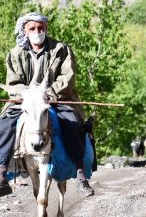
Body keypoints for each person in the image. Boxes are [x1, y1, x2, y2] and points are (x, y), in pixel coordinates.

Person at [0, 12, 94, 197]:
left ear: (46, 28)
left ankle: (81, 174)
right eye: (33, 28)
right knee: (4, 124)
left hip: (57, 98)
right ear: (25, 31)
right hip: (25, 101)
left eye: (41, 28)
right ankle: (2, 171)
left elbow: (68, 78)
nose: (37, 31)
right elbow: (13, 83)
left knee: (71, 122)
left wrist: (46, 93)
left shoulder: (61, 49)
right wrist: (30, 95)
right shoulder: (15, 53)